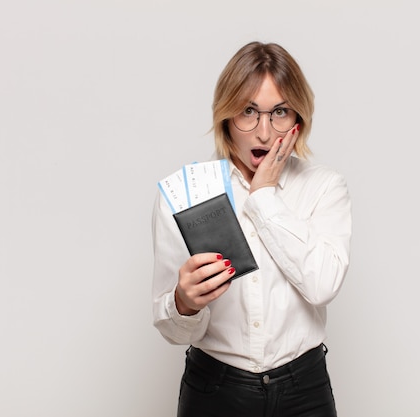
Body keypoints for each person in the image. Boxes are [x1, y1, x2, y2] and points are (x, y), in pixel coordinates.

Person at [151, 41, 352, 417]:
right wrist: (185, 303)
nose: (263, 131)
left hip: (303, 391)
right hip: (214, 390)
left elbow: (322, 286)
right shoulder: (188, 192)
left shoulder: (324, 187)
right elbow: (173, 331)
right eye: (248, 111)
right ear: (226, 115)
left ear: (297, 118)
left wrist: (263, 196)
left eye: (279, 112)